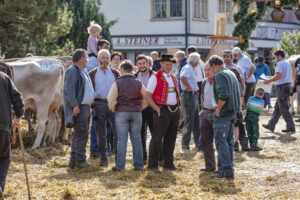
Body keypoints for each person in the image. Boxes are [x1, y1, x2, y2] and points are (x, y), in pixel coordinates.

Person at [107, 60, 147, 171]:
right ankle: (138, 165)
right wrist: (141, 107)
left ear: (123, 70)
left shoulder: (117, 82)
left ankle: (120, 166)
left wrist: (114, 108)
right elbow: (147, 97)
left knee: (122, 139)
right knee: (137, 139)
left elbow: (110, 99)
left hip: (121, 112)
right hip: (136, 112)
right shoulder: (138, 82)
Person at [145, 55, 181, 173]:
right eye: (167, 64)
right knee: (157, 137)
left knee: (171, 138)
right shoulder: (155, 77)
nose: (169, 67)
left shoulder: (174, 77)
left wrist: (179, 109)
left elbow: (176, 94)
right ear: (161, 64)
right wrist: (156, 108)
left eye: (171, 65)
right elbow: (147, 96)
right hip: (162, 110)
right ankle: (152, 165)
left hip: (174, 110)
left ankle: (168, 163)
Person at [209, 55, 241, 179]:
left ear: (214, 65)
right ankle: (227, 168)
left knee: (221, 142)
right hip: (232, 112)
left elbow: (224, 94)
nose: (212, 71)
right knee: (228, 141)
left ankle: (226, 169)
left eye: (211, 68)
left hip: (224, 113)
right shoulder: (230, 73)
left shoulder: (220, 75)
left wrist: (218, 109)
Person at [64, 49, 94, 169]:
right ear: (81, 58)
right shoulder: (72, 71)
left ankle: (73, 160)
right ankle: (80, 160)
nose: (87, 60)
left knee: (79, 134)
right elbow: (69, 90)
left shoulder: (82, 70)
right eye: (86, 58)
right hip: (80, 107)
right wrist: (75, 105)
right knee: (82, 133)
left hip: (84, 106)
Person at [89, 49, 120, 166]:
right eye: (103, 58)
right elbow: (89, 91)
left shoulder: (115, 73)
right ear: (98, 59)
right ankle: (103, 159)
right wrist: (92, 104)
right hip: (99, 105)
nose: (105, 60)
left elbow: (120, 90)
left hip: (113, 105)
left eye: (107, 58)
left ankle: (118, 158)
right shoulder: (92, 73)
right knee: (100, 134)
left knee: (117, 132)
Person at [0, 72, 24, 198]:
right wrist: (19, 116)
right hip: (2, 125)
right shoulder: (4, 77)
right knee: (3, 157)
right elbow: (17, 98)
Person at [223, 50, 250, 152]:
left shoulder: (238, 68)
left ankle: (243, 143)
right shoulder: (223, 69)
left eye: (227, 56)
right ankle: (234, 143)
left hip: (237, 100)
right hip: (227, 101)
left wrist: (242, 100)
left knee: (239, 124)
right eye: (224, 57)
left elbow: (242, 84)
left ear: (231, 57)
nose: (226, 58)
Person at [263, 50, 295, 133]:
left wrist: (268, 81)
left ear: (279, 56)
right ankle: (271, 124)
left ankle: (291, 126)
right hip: (285, 86)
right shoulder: (287, 63)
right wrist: (270, 78)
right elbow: (280, 76)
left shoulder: (280, 64)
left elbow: (278, 76)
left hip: (282, 87)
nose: (275, 59)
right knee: (278, 107)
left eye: (275, 57)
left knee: (283, 108)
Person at [134, 54, 154, 164]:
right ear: (137, 65)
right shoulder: (134, 76)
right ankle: (143, 157)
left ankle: (156, 157)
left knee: (155, 133)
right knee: (140, 134)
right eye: (140, 64)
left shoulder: (155, 75)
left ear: (148, 63)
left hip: (152, 107)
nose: (142, 65)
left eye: (144, 63)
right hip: (140, 108)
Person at [180, 52, 200, 150]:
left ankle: (198, 142)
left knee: (196, 119)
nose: (198, 63)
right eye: (198, 61)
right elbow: (183, 78)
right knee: (189, 120)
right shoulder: (188, 68)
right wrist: (190, 88)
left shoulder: (189, 67)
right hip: (189, 95)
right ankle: (185, 142)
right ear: (195, 61)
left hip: (191, 94)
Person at [199, 62, 217, 172]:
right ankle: (210, 166)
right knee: (206, 141)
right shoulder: (204, 82)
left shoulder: (219, 81)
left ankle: (222, 167)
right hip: (205, 112)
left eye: (208, 69)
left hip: (217, 113)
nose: (206, 72)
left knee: (219, 141)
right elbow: (202, 97)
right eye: (205, 70)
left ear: (214, 69)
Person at [291, 56, 300, 122]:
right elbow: (296, 71)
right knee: (299, 100)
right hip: (299, 83)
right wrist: (293, 82)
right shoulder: (298, 60)